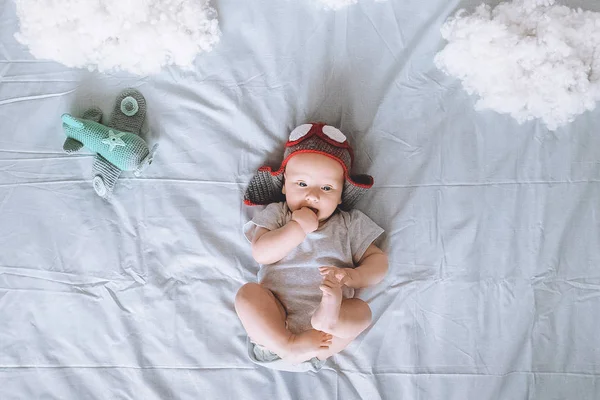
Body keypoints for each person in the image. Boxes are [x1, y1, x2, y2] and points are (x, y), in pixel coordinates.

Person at [235, 123, 388, 372]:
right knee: (247, 294)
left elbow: (379, 262)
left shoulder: (350, 224)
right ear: (284, 186)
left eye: (326, 188)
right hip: (275, 331)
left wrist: (354, 276)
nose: (313, 196)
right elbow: (261, 252)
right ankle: (288, 344)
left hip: (323, 341)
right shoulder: (279, 215)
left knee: (362, 312)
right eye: (301, 184)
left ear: (340, 195)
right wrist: (297, 228)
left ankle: (328, 318)